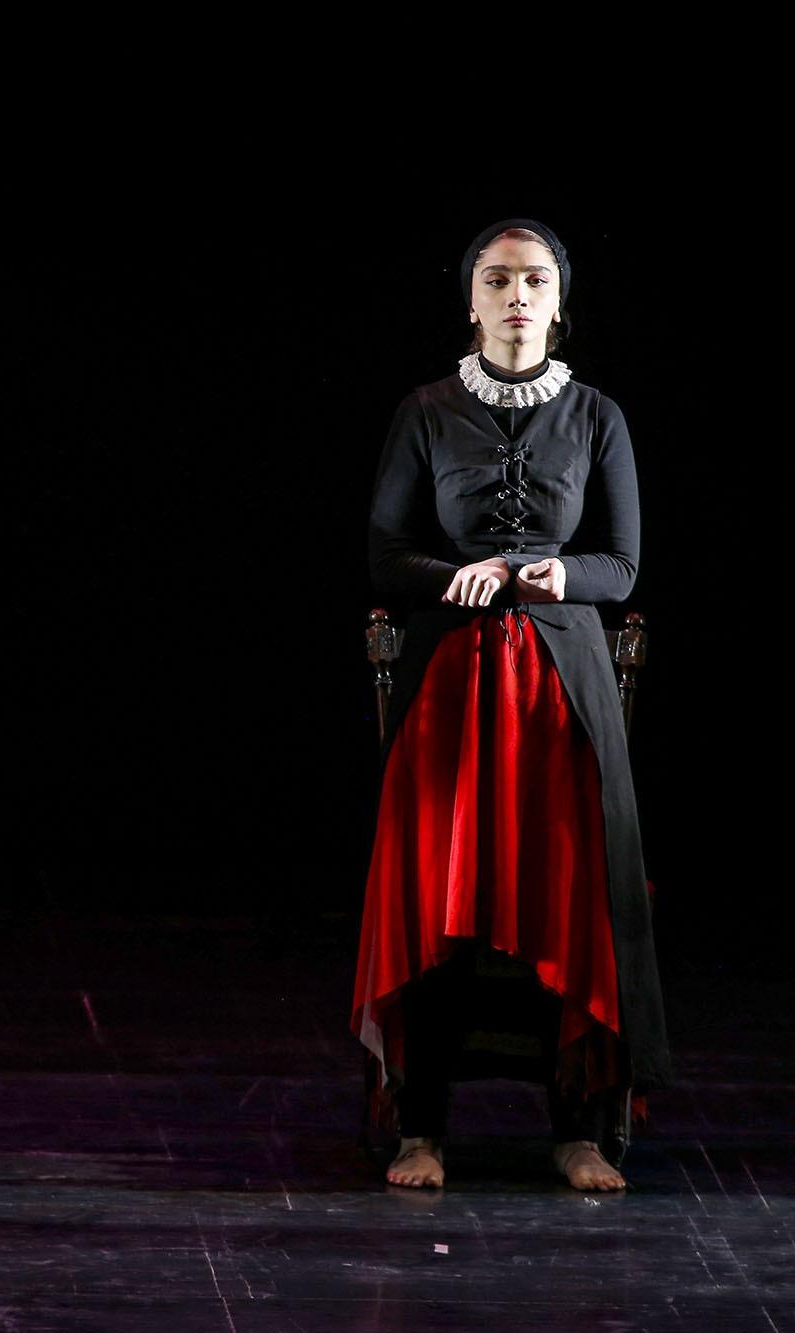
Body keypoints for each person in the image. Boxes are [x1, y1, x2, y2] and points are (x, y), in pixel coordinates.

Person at [353, 220, 670, 1191]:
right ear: (471, 300)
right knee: (437, 895)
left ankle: (578, 1129)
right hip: (452, 684)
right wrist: (459, 575)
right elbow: (385, 554)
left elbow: (621, 564)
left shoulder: (597, 415)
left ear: (558, 300)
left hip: (560, 692)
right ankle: (420, 1128)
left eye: (533, 280)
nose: (516, 296)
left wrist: (559, 573)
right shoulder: (424, 409)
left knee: (565, 890)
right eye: (497, 280)